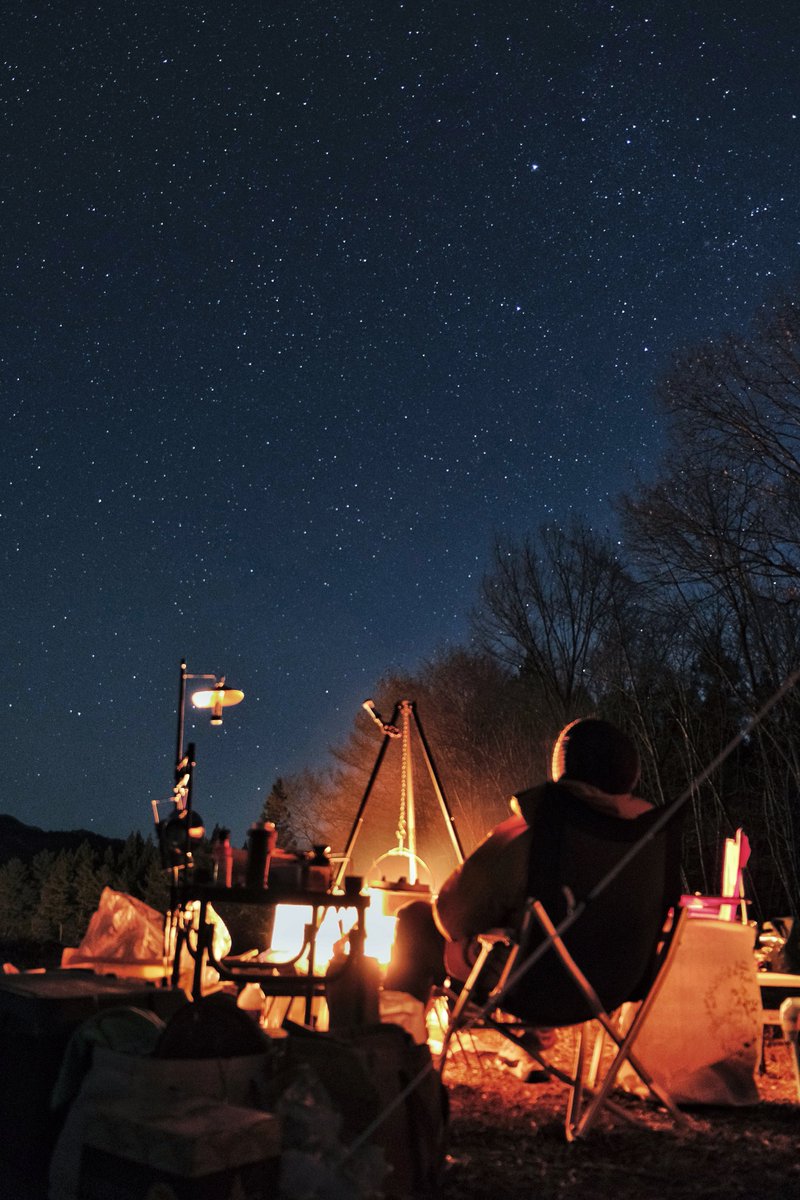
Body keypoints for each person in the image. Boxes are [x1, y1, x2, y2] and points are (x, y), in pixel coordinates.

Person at [382, 717, 662, 1051]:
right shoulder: (649, 840)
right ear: (630, 775)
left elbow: (453, 913)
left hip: (534, 986)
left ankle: (393, 1051)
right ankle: (531, 1035)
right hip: (614, 984)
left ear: (562, 768)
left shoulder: (538, 832)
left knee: (417, 919)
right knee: (537, 930)